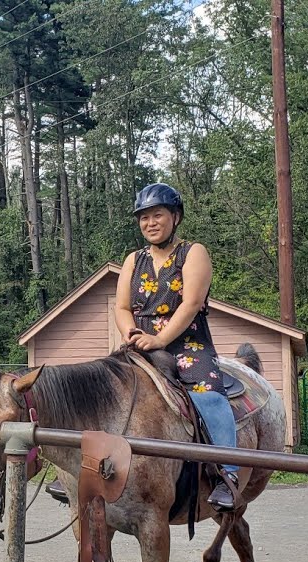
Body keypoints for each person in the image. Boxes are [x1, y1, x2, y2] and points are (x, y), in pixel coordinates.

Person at [114, 183, 240, 511]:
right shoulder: (133, 260)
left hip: (187, 344)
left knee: (209, 396)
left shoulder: (192, 252)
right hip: (138, 343)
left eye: (157, 215)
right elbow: (122, 307)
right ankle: (81, 466)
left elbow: (192, 303)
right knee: (100, 386)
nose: (150, 222)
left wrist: (160, 339)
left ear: (175, 217)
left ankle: (228, 474)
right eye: (144, 217)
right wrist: (131, 331)